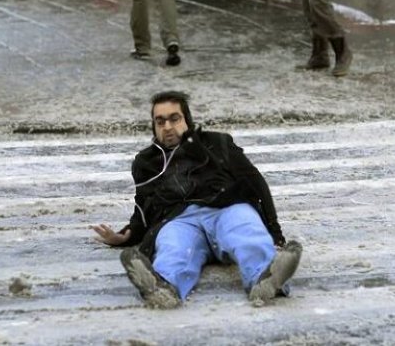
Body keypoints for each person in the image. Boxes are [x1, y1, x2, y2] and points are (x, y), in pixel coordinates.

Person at [92, 91, 302, 309]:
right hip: (181, 220)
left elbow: (255, 182)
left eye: (174, 118)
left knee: (246, 232)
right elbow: (143, 210)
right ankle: (164, 288)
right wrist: (124, 236)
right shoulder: (146, 162)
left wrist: (276, 234)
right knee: (173, 248)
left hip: (226, 208)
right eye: (160, 121)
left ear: (187, 120)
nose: (167, 127)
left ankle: (265, 279)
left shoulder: (217, 142)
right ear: (153, 126)